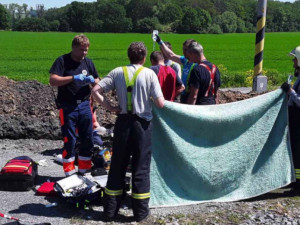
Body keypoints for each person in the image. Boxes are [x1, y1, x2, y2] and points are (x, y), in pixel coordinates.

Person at [92, 42, 165, 222]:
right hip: (142, 125)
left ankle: (110, 212)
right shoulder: (149, 74)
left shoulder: (117, 72)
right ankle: (140, 213)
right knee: (140, 167)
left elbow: (95, 90)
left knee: (117, 165)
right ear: (144, 57)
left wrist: (109, 106)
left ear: (128, 56)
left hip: (123, 123)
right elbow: (160, 103)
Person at [49, 34, 100, 176]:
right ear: (73, 48)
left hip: (84, 105)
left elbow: (97, 80)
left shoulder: (88, 63)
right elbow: (53, 80)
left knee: (87, 139)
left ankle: (84, 170)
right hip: (68, 106)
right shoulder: (62, 61)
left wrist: (94, 81)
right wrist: (72, 78)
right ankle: (69, 173)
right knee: (69, 140)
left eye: (86, 50)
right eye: (81, 50)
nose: (84, 53)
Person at [156, 35, 197, 103]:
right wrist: (160, 42)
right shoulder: (185, 60)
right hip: (184, 95)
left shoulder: (197, 64)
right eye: (183, 49)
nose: (183, 52)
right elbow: (171, 55)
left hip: (190, 95)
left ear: (192, 50)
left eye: (185, 50)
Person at [281, 46, 300, 189]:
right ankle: (295, 179)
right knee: (294, 148)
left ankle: (298, 182)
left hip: (298, 117)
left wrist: (290, 91)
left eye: (295, 58)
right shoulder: (299, 75)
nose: (293, 61)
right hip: (294, 117)